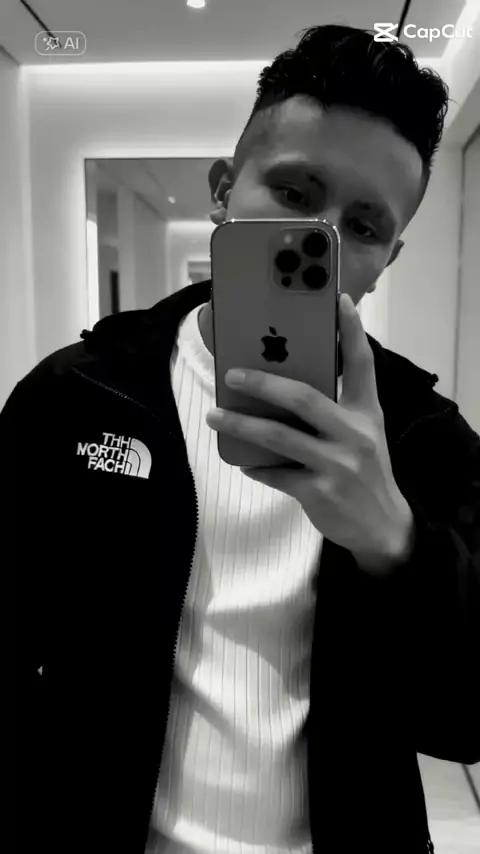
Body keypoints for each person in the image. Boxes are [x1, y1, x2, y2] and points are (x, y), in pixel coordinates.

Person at [5, 24, 479, 854]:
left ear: (389, 258)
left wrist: (397, 544)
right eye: (295, 193)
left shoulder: (425, 436)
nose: (322, 243)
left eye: (365, 227)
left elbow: (465, 721)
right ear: (224, 191)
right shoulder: (78, 394)